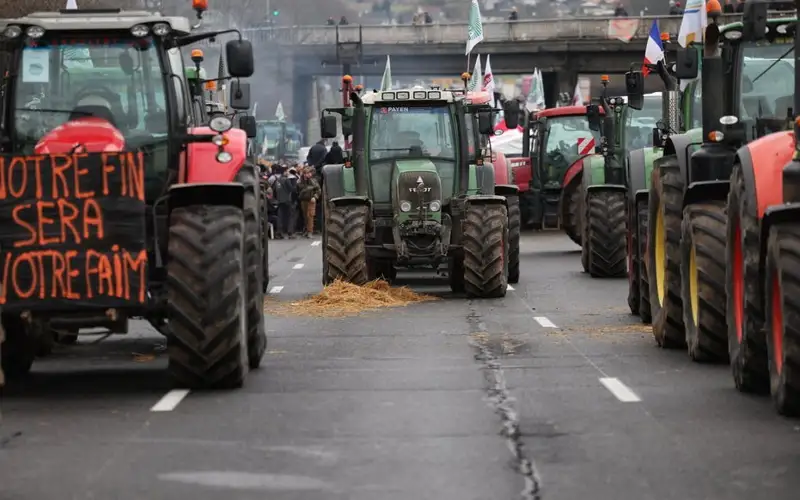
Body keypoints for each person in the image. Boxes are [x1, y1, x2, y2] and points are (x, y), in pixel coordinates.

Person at [298, 169, 321, 237]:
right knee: (305, 216)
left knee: (310, 216)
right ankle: (306, 229)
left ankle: (310, 231)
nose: (307, 174)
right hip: (303, 200)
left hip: (311, 200)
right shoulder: (300, 181)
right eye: (306, 173)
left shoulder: (313, 181)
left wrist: (315, 197)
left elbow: (319, 190)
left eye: (308, 173)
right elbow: (298, 189)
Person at [273, 166, 294, 239]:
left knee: (280, 217)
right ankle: (290, 232)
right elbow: (291, 189)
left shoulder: (277, 180)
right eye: (287, 171)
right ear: (284, 172)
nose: (288, 173)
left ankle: (279, 232)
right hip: (287, 200)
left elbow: (274, 191)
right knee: (290, 216)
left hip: (279, 201)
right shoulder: (286, 180)